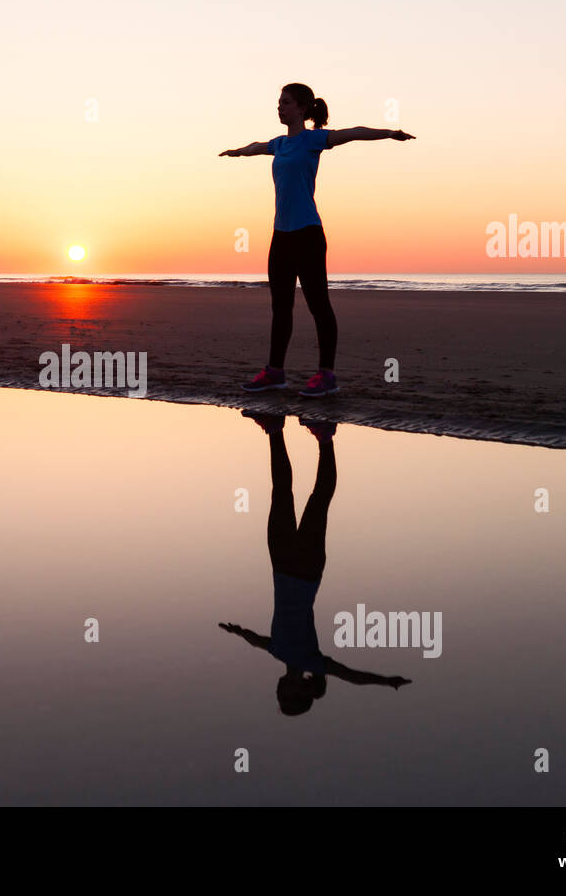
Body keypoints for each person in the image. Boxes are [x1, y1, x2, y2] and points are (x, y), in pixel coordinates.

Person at [219, 83, 415, 397]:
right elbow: (256, 146)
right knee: (280, 307)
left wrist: (389, 133)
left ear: (302, 108)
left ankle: (326, 376)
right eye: (278, 102)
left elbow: (353, 132)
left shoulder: (313, 140)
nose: (279, 107)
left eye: (285, 102)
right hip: (280, 236)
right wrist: (237, 152)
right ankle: (275, 372)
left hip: (308, 234)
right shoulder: (279, 144)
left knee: (318, 305)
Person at [221, 412, 411, 715]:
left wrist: (238, 632)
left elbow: (257, 641)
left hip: (281, 565)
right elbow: (351, 676)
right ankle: (325, 438)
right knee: (318, 499)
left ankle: (274, 428)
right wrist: (385, 682)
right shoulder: (312, 661)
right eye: (286, 698)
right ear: (301, 693)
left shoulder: (277, 652)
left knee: (280, 493)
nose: (278, 693)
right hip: (306, 572)